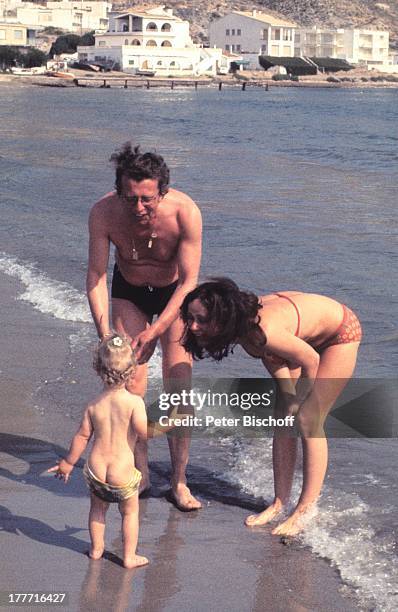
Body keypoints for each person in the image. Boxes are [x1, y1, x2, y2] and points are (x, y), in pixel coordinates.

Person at [180, 278, 362, 536]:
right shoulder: (243, 329)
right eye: (190, 318)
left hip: (339, 334)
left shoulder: (261, 331)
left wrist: (298, 400)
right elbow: (272, 356)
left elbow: (309, 358)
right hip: (301, 337)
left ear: (222, 318)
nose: (193, 326)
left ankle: (305, 510)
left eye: (201, 320)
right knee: (283, 418)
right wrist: (287, 396)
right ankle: (279, 502)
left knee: (309, 420)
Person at [86, 143, 202, 510]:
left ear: (161, 191)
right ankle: (140, 470)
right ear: (120, 190)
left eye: (147, 199)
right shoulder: (104, 213)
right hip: (129, 290)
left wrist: (155, 331)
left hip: (174, 293)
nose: (138, 207)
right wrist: (106, 334)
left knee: (178, 384)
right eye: (130, 197)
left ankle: (179, 480)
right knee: (131, 380)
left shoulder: (185, 213)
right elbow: (96, 276)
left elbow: (188, 283)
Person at [48, 334, 191, 568]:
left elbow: (82, 436)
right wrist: (169, 423)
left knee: (97, 510)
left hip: (95, 470)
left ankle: (96, 549)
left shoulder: (94, 405)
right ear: (132, 370)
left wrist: (67, 463)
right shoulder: (133, 403)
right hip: (122, 472)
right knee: (130, 513)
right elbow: (144, 432)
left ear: (98, 369)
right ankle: (129, 556)